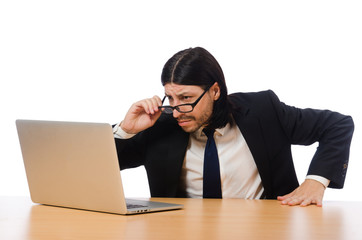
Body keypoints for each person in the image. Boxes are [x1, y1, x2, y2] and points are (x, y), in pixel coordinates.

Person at [113, 47, 354, 207]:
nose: (176, 110)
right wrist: (126, 129)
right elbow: (103, 167)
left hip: (264, 230)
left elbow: (337, 125)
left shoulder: (263, 111)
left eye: (186, 98)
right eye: (171, 99)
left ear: (215, 91)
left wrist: (315, 181)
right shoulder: (161, 124)